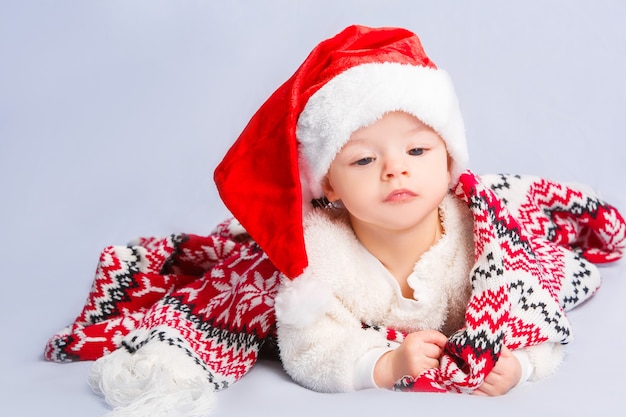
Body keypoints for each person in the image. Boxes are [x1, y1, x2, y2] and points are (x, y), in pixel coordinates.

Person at [214, 24, 624, 396]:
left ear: (448, 163)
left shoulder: (483, 241)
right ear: (328, 183)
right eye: (363, 160)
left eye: (416, 150)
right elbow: (309, 350)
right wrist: (384, 364)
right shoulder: (320, 258)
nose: (396, 169)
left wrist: (521, 365)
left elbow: (536, 311)